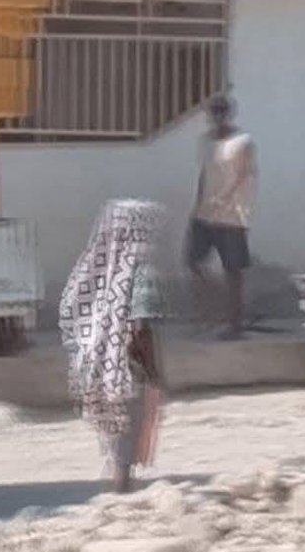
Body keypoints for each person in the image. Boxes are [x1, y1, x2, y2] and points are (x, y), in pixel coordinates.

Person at [59, 199, 167, 493]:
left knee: (113, 440)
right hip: (125, 370)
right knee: (126, 450)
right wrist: (153, 371)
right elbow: (140, 328)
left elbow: (72, 310)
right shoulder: (140, 271)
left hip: (93, 368)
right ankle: (122, 495)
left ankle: (117, 491)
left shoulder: (95, 263)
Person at [186, 95, 256, 341]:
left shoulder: (242, 142)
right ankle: (216, 311)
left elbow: (246, 178)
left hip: (231, 216)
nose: (217, 116)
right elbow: (204, 174)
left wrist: (238, 208)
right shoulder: (206, 141)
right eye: (213, 112)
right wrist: (197, 206)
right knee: (194, 261)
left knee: (233, 271)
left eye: (221, 111)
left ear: (229, 113)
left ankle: (235, 324)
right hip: (204, 214)